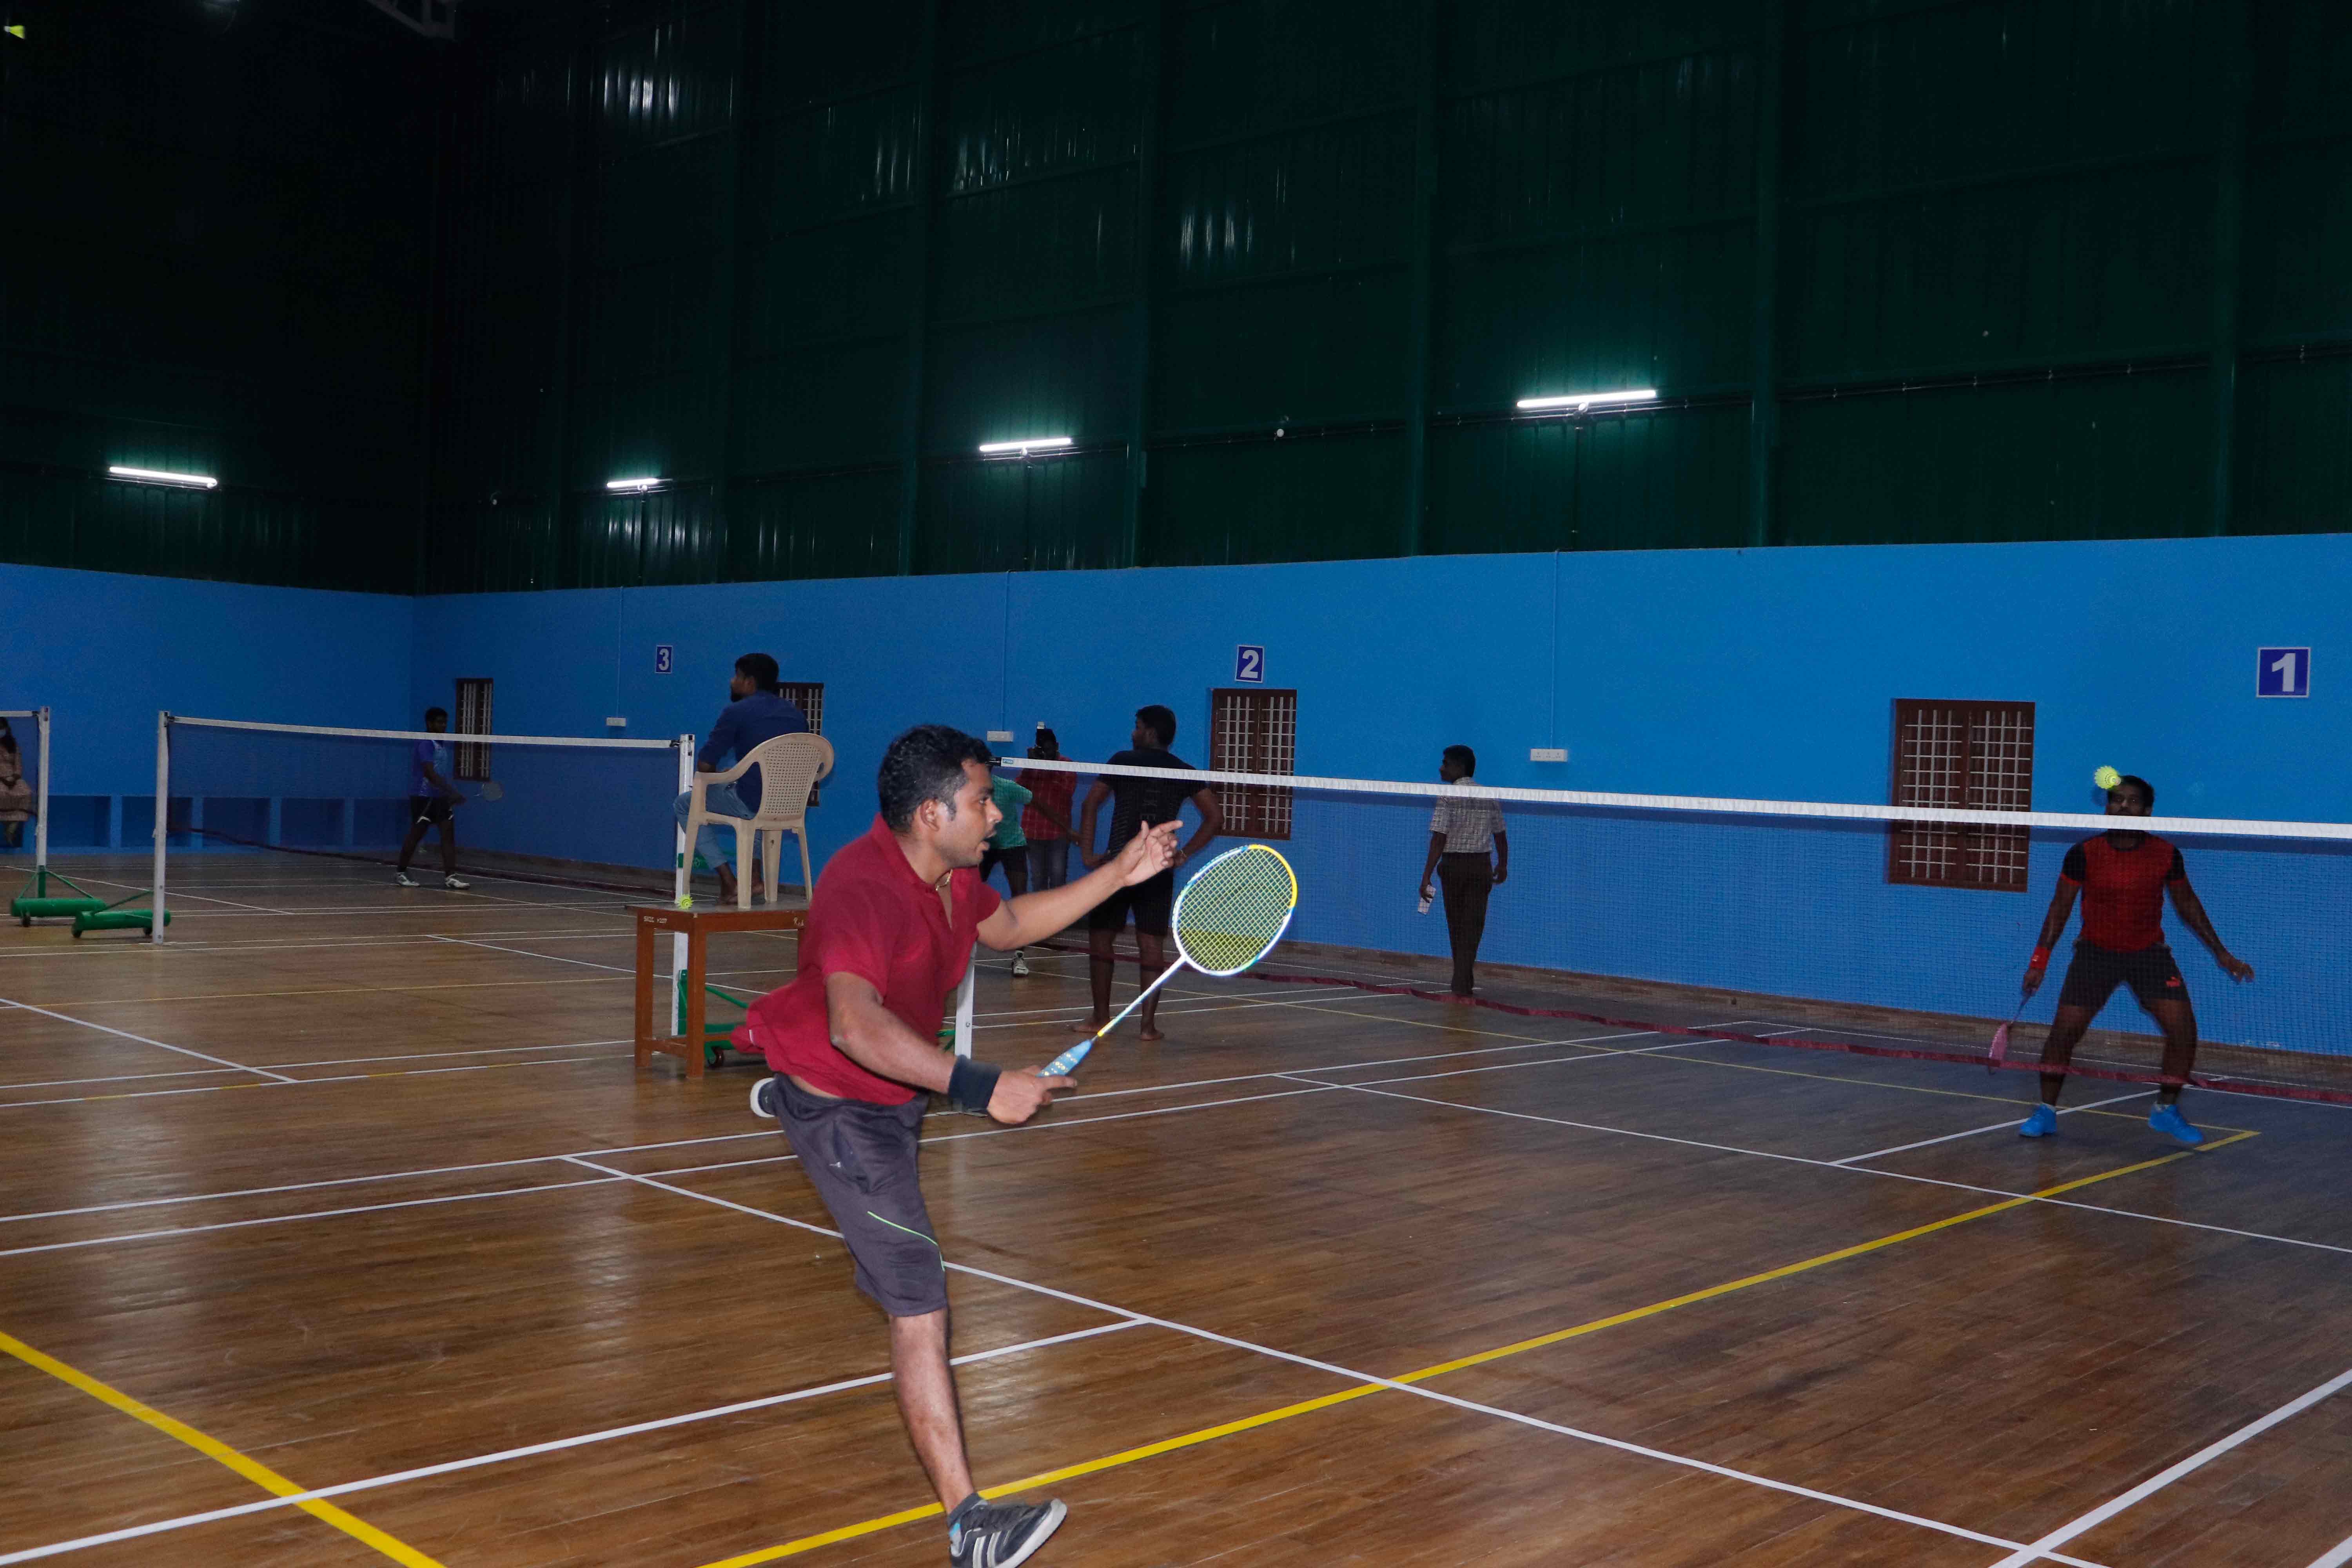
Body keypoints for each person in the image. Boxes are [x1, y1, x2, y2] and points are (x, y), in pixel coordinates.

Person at [740, 724, 1179, 1568]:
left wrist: (1120, 872)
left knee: (911, 1266)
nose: (997, 815)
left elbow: (1010, 925)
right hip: (848, 1109)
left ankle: (781, 1086)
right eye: (983, 801)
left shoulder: (956, 876)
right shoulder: (859, 885)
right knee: (920, 1296)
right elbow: (855, 1023)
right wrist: (983, 1085)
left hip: (890, 1099)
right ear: (930, 811)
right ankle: (969, 1522)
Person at [2017, 773, 2253, 1145]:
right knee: (2063, 1033)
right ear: (2108, 806)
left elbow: (2187, 904)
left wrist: (2221, 953)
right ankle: (2046, 1112)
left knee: (2183, 1030)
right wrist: (2039, 961)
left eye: (2132, 801)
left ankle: (2166, 1111)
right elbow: (2060, 908)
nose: (2123, 805)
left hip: (2148, 955)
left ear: (2147, 811)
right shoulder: (2084, 852)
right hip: (2095, 954)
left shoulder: (2166, 854)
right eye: (2116, 799)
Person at [1070, 705, 1223, 1041]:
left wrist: (1086, 854)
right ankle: (1147, 1027)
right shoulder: (1184, 771)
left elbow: (1089, 803)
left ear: (1151, 732)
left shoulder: (1122, 760)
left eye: (1137, 726)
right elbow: (1215, 817)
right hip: (1158, 868)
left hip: (1118, 864)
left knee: (1100, 938)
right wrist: (1182, 854)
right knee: (1151, 945)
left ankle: (1100, 1017)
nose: (1133, 733)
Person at [673, 653, 808, 904]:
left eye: (737, 676)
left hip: (752, 800)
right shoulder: (796, 714)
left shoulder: (737, 711)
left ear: (749, 682)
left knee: (685, 804)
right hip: (788, 804)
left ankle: (729, 882)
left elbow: (705, 764)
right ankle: (755, 879)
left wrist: (720, 778)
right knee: (752, 797)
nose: (732, 681)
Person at [1416, 744, 1508, 997]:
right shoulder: (1488, 794)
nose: (1441, 768)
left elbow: (1438, 838)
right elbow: (1500, 834)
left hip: (1454, 867)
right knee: (1473, 926)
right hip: (1481, 867)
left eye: (1445, 763)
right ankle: (1463, 981)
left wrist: (1426, 875)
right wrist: (1503, 863)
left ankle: (1461, 982)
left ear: (1459, 768)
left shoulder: (1447, 797)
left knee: (1457, 925)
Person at [978, 763, 1073, 978]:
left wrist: (1068, 830)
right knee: (965, 895)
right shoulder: (968, 791)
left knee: (1020, 899)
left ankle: (1019, 958)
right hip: (983, 847)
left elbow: (1041, 806)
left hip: (1013, 846)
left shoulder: (1008, 787)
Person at [394, 708, 470, 890]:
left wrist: (447, 793)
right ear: (429, 723)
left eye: (445, 722)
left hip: (440, 797)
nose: (443, 726)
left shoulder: (442, 743)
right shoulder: (426, 743)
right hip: (423, 795)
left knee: (448, 834)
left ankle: (451, 876)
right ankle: (401, 873)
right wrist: (452, 791)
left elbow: (440, 772)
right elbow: (429, 773)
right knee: (417, 834)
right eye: (439, 722)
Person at [1015, 726, 1078, 898]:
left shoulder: (1067, 765)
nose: (1048, 753)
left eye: (1050, 749)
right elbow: (1019, 790)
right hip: (1033, 830)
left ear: (1057, 746)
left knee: (1058, 878)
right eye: (1044, 749)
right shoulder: (1032, 765)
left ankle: (1058, 920)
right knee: (1038, 879)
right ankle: (1040, 921)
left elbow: (1066, 793)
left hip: (1058, 831)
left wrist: (1049, 768)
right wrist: (1029, 766)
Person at [0, 719, 30, 851]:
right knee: (2, 794)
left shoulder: (13, 745)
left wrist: (15, 777)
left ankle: (13, 825)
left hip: (13, 778)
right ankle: (6, 825)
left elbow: (18, 765)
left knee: (26, 792)